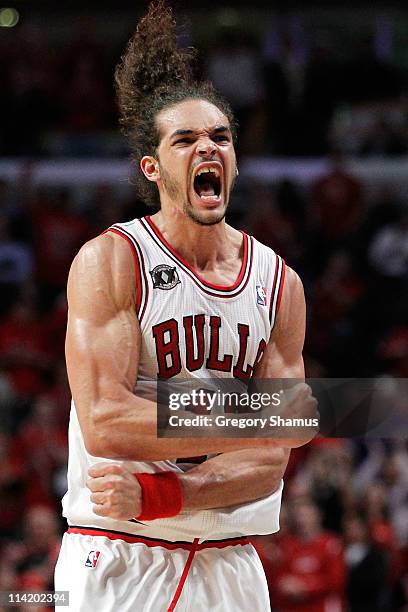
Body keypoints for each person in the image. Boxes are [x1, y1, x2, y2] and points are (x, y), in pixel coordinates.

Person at [54, 2, 318, 610]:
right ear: (153, 168)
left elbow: (271, 460)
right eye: (187, 139)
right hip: (119, 554)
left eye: (221, 137)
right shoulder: (112, 260)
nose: (209, 147)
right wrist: (253, 414)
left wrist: (166, 495)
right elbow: (107, 422)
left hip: (229, 559)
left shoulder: (280, 283)